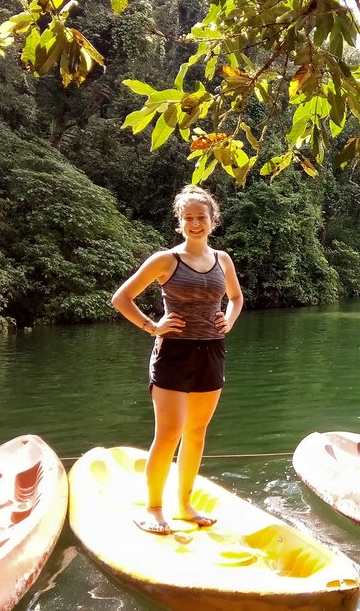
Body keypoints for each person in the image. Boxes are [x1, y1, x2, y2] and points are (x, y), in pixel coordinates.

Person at [112, 185, 243, 534]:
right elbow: (121, 298)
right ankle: (154, 508)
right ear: (180, 222)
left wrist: (228, 320)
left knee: (196, 434)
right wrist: (152, 326)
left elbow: (235, 297)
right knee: (169, 434)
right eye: (188, 218)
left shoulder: (223, 260)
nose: (195, 223)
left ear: (212, 221)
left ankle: (184, 505)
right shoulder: (166, 260)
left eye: (201, 217)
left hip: (211, 351)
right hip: (174, 352)